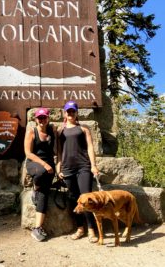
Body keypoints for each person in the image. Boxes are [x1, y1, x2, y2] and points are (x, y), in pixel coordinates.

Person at [57, 101, 99, 243]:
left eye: (72, 111)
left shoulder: (84, 129)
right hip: (67, 168)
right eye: (68, 111)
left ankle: (92, 230)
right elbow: (59, 151)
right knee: (74, 199)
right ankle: (80, 228)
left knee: (86, 199)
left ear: (76, 113)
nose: (70, 113)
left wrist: (93, 165)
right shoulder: (60, 131)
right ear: (65, 113)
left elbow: (90, 148)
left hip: (83, 167)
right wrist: (59, 168)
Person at [24, 107, 56, 242]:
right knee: (42, 173)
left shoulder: (52, 131)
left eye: (44, 117)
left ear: (48, 118)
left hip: (49, 167)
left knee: (44, 194)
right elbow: (28, 153)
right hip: (34, 164)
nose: (42, 120)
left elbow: (57, 150)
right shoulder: (31, 132)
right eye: (39, 118)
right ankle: (35, 187)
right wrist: (45, 164)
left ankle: (37, 228)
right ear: (36, 119)